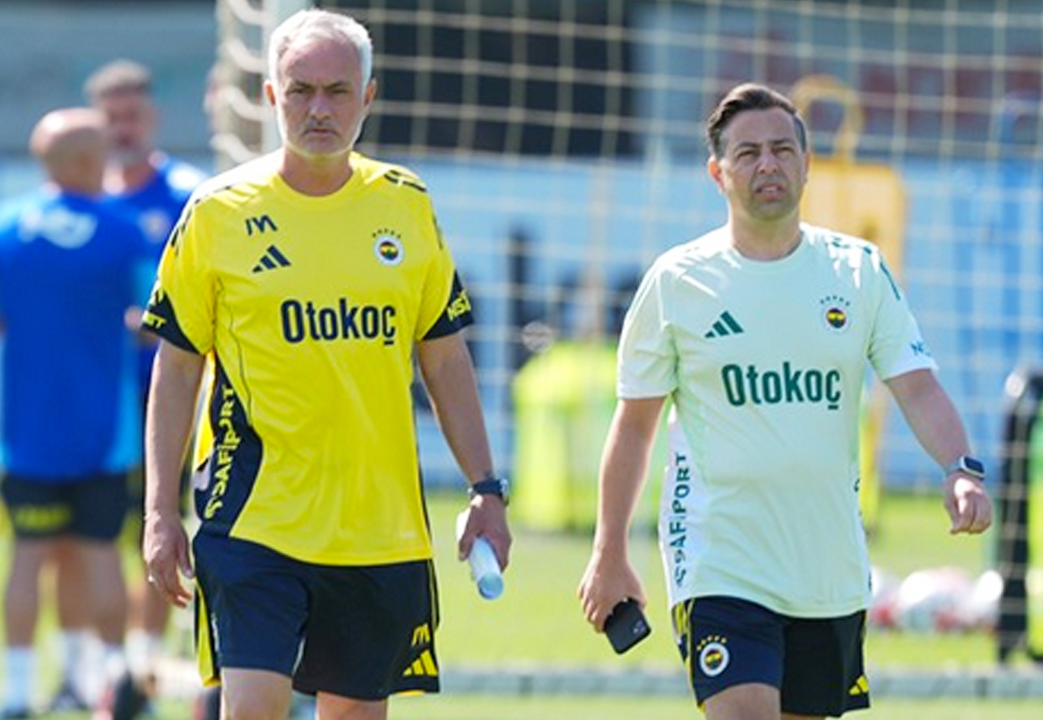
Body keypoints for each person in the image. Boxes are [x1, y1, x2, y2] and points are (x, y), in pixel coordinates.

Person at [577, 82, 994, 720]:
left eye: (780, 150)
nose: (766, 164)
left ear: (806, 164)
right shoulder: (677, 282)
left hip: (826, 567)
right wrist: (609, 551)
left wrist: (960, 469)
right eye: (747, 154)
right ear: (718, 174)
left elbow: (916, 384)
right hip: (721, 560)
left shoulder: (857, 271)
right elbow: (634, 426)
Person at [141, 9, 512, 720]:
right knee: (251, 707)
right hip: (254, 516)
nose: (319, 108)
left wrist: (485, 487)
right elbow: (178, 365)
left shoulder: (404, 205)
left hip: (378, 523)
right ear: (272, 96)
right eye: (301, 90)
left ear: (368, 98)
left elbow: (443, 353)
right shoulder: (217, 213)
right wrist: (160, 511)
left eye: (338, 91)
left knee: (354, 715)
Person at [0, 107, 152, 720]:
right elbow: (155, 321)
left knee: (27, 557)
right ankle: (112, 686)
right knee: (101, 555)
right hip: (104, 431)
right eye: (101, 152)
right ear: (80, 160)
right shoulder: (121, 230)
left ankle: (16, 694)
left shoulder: (3, 227)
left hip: (27, 431)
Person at [43, 59, 208, 709]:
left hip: (166, 398)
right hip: (88, 401)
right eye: (111, 116)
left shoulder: (187, 195)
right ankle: (83, 671)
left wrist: (148, 323)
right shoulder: (75, 200)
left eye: (132, 113)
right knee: (77, 540)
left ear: (153, 117)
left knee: (167, 528)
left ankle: (140, 668)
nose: (123, 127)